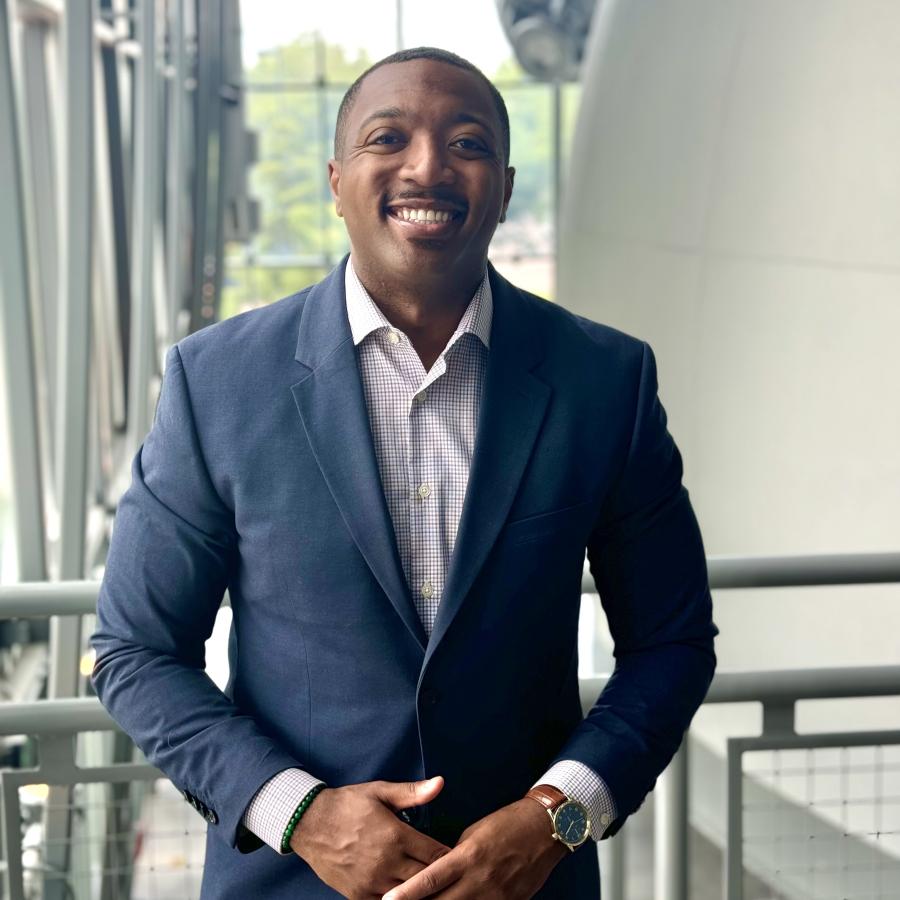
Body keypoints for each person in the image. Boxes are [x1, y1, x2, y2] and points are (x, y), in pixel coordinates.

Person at [92, 46, 717, 900]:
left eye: (466, 143)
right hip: (292, 881)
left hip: (527, 882)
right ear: (337, 179)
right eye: (389, 138)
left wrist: (556, 816)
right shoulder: (218, 381)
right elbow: (135, 650)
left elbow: (671, 644)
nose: (428, 166)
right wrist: (300, 815)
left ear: (501, 185)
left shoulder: (604, 380)